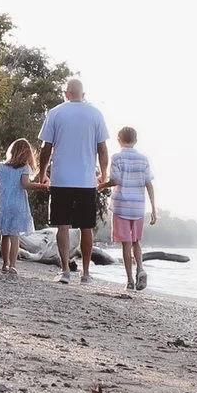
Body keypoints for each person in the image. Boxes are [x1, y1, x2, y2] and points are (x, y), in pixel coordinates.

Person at [36, 75, 110, 285]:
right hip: (86, 180)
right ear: (83, 94)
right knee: (86, 227)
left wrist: (42, 173)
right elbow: (102, 149)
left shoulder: (56, 113)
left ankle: (65, 271)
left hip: (61, 179)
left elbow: (46, 148)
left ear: (66, 93)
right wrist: (103, 174)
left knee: (63, 227)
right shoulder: (95, 114)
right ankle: (85, 273)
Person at [0, 137, 48, 275]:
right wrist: (43, 186)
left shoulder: (0, 167)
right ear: (26, 153)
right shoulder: (24, 168)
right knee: (14, 236)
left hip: (3, 205)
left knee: (5, 236)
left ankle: (5, 264)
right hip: (17, 205)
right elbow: (25, 185)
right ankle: (13, 266)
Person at [107, 125, 157, 294]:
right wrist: (154, 209)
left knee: (125, 245)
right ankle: (140, 268)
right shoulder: (144, 159)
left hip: (121, 205)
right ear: (135, 140)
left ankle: (129, 281)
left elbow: (115, 180)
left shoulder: (117, 157)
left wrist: (101, 185)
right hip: (138, 207)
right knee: (136, 242)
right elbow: (149, 184)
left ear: (119, 140)